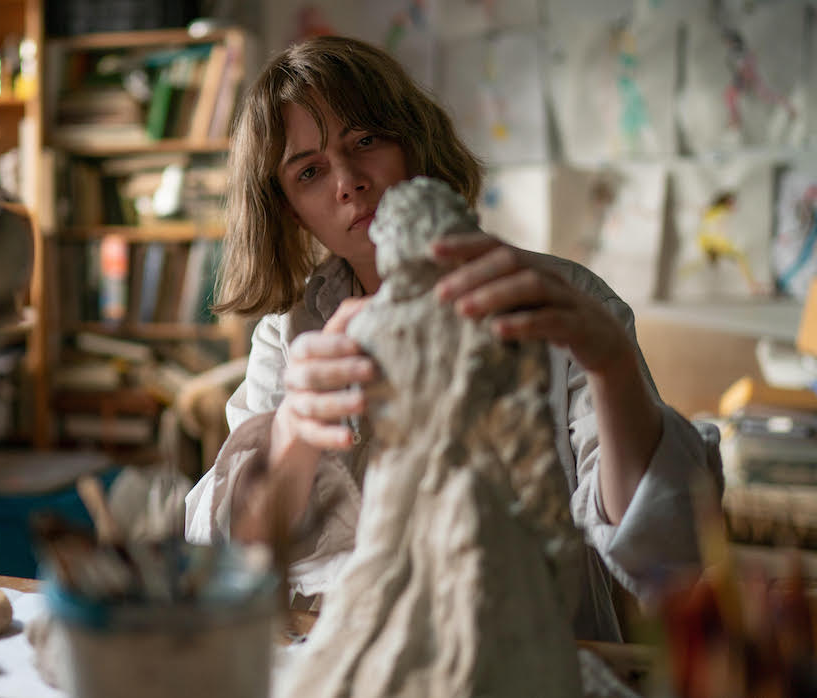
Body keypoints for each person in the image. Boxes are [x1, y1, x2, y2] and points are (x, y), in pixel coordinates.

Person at [184, 36, 723, 643]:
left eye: (365, 141)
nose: (349, 182)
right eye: (310, 171)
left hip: (524, 650)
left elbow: (666, 551)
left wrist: (613, 366)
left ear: (414, 142)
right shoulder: (288, 339)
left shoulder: (563, 303)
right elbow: (225, 559)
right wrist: (289, 438)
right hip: (335, 650)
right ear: (288, 210)